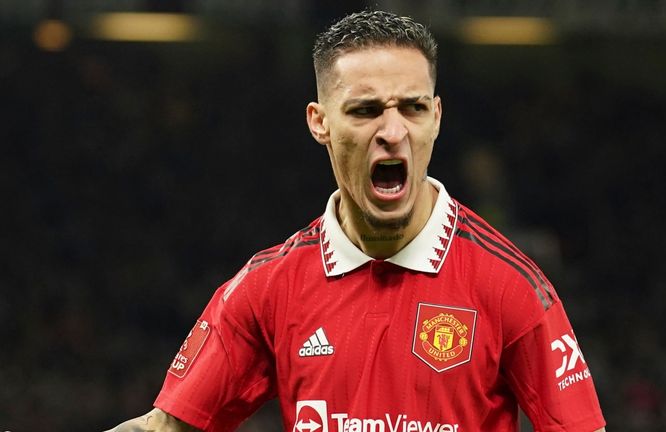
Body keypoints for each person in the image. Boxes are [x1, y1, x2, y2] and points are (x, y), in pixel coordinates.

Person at [106, 10, 606, 432]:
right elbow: (167, 428)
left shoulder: (511, 286)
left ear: (436, 116)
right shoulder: (265, 289)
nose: (392, 131)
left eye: (411, 108)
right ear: (320, 122)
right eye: (365, 110)